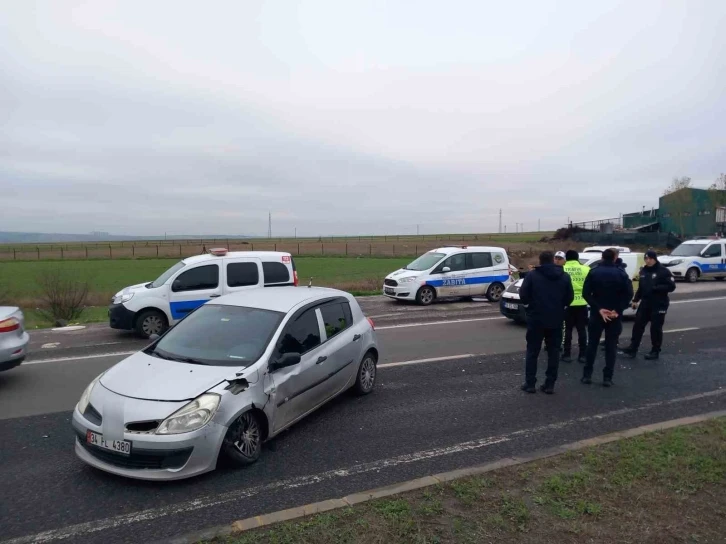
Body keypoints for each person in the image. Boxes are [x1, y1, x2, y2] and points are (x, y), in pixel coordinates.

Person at [518, 251, 574, 394]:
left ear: (540, 261)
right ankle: (550, 384)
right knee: (553, 352)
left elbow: (523, 294)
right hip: (556, 318)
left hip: (536, 318)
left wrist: (529, 307)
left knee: (532, 351)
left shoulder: (532, 275)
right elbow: (570, 298)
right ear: (553, 260)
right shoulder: (564, 276)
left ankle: (530, 383)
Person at [581, 249, 633, 387]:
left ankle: (587, 375)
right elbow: (628, 294)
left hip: (597, 314)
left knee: (592, 344)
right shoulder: (621, 274)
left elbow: (586, 293)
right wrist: (617, 310)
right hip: (614, 315)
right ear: (615, 258)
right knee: (611, 346)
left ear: (602, 257)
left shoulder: (593, 272)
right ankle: (607, 378)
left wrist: (598, 308)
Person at [622, 250, 676, 360]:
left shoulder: (663, 271)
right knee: (638, 326)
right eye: (646, 259)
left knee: (655, 328)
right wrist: (635, 300)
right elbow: (641, 288)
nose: (648, 261)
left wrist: (656, 288)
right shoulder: (643, 271)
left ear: (655, 259)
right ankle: (633, 348)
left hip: (659, 303)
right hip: (646, 302)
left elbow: (671, 286)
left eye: (650, 259)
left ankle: (655, 350)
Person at [562, 250, 590, 363]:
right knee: (581, 330)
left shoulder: (562, 270)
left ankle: (567, 354)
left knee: (567, 330)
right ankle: (582, 355)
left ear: (566, 258)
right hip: (582, 303)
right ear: (577, 257)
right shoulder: (586, 269)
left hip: (567, 304)